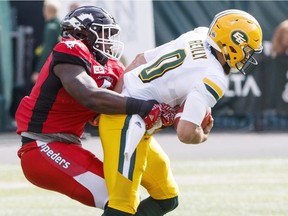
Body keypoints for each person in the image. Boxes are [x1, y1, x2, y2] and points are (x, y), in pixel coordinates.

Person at [99, 9, 263, 215]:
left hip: (133, 120)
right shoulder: (215, 77)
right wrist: (201, 136)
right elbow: (185, 133)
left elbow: (140, 59)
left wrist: (112, 98)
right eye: (247, 49)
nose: (247, 56)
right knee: (122, 206)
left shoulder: (199, 34)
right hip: (126, 123)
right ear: (232, 44)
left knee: (166, 197)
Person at [15, 6, 174, 210]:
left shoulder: (112, 67)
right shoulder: (70, 48)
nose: (109, 41)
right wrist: (144, 107)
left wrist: (176, 110)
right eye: (103, 33)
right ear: (82, 34)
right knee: (121, 202)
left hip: (69, 146)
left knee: (132, 200)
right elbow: (88, 95)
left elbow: (129, 97)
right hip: (42, 146)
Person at [31, 0, 61, 84]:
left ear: (47, 10)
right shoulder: (60, 24)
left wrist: (38, 71)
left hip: (50, 68)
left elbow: (47, 50)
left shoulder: (50, 27)